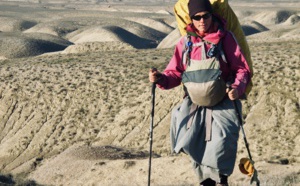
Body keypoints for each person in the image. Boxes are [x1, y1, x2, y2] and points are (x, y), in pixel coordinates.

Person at [148, 0, 251, 185]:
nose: (202, 20)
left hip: (223, 102)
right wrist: (161, 79)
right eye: (197, 17)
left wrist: (237, 88)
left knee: (221, 145)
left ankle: (221, 181)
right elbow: (176, 73)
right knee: (197, 150)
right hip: (195, 106)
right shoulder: (185, 43)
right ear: (191, 19)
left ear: (212, 15)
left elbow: (241, 69)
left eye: (206, 15)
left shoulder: (226, 38)